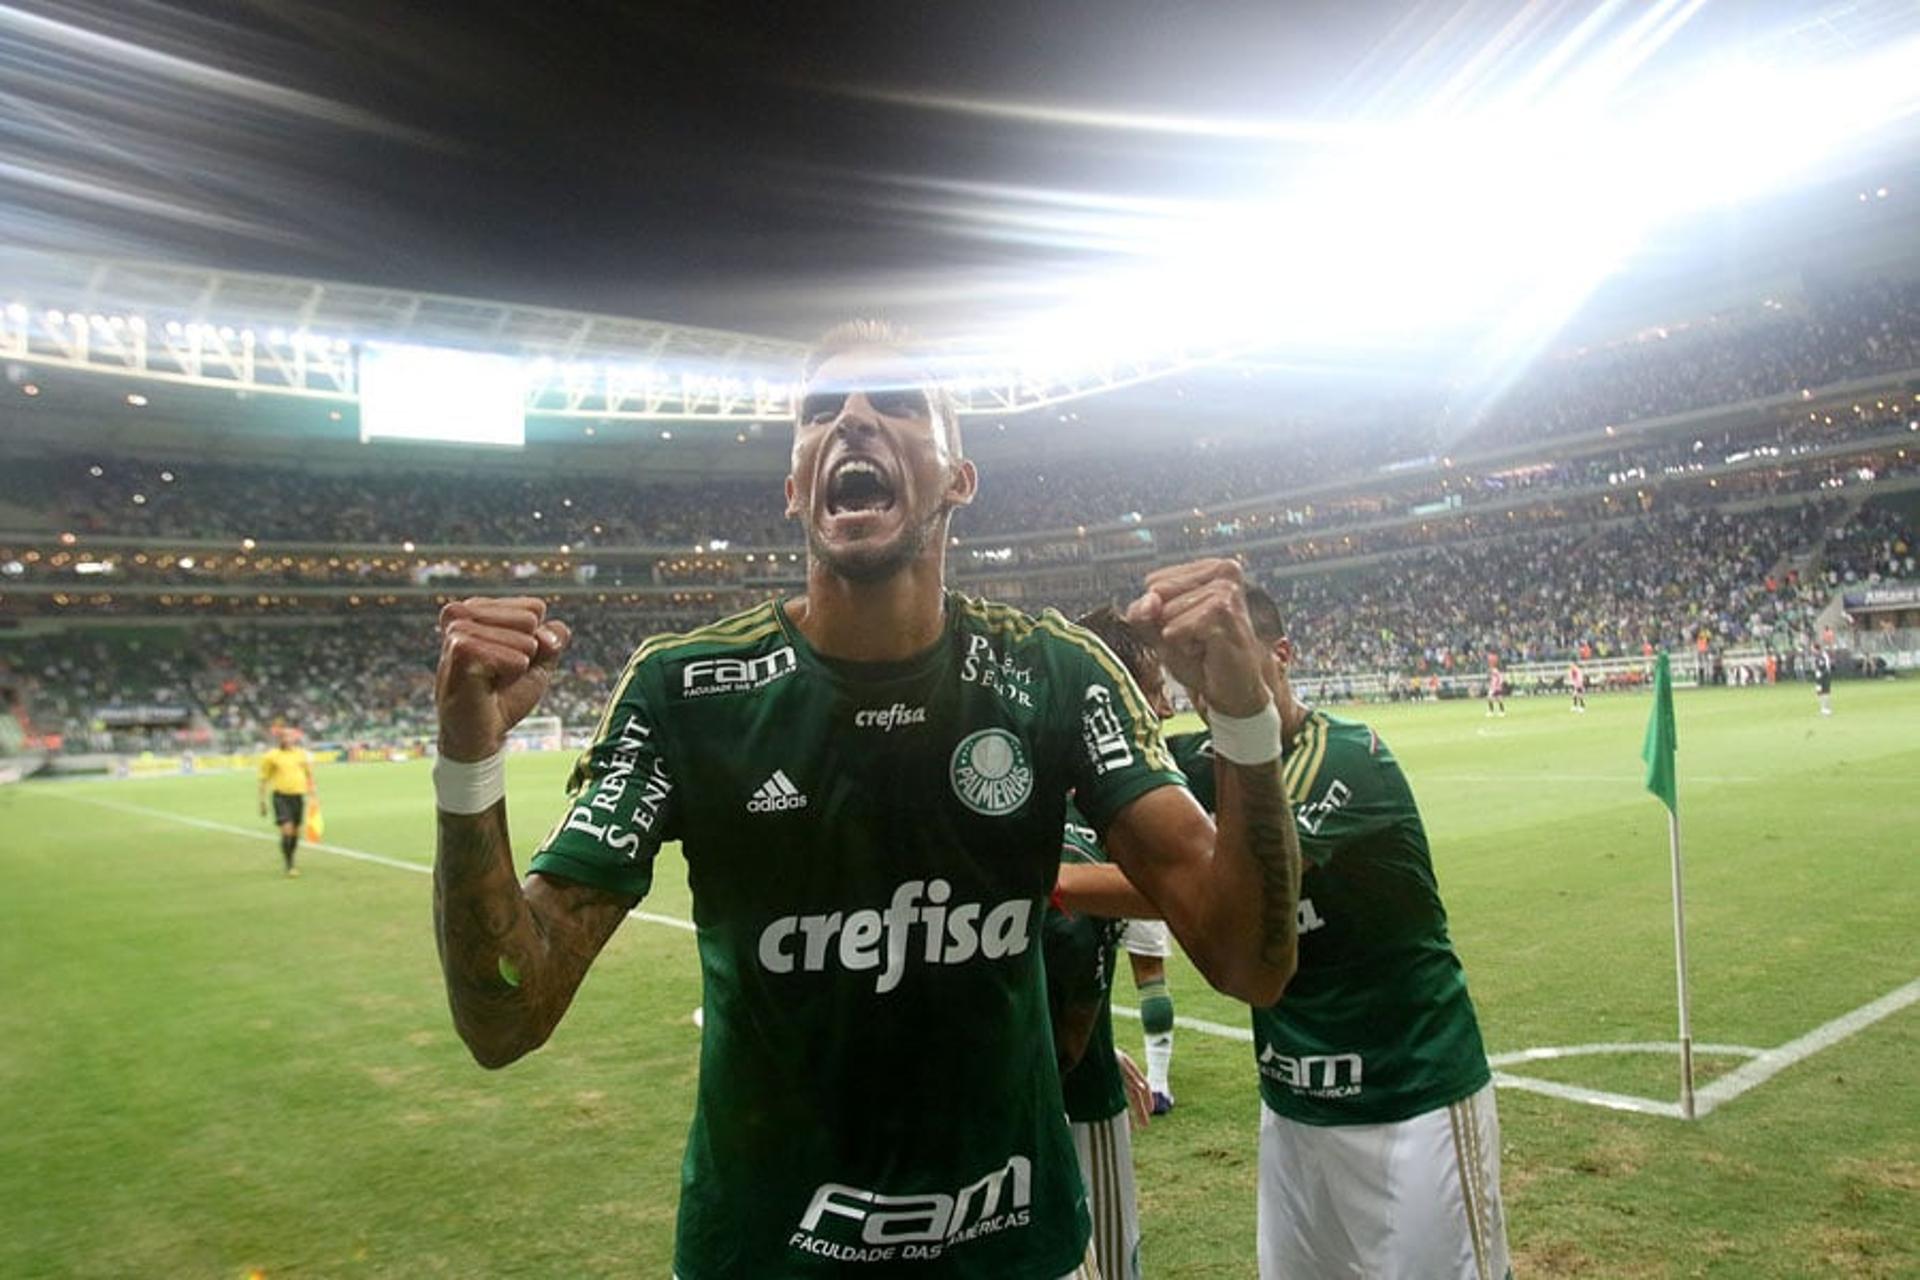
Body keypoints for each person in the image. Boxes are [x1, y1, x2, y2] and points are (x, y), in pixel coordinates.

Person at [429, 320, 1302, 1280]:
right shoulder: (687, 690)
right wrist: (470, 767)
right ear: (797, 486)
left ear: (957, 478)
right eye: (820, 412)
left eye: (895, 402)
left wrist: (1244, 724)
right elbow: (507, 1015)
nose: (851, 418)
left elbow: (1249, 957)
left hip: (1015, 1255)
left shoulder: (1057, 675)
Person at [1062, 587, 1509, 1280]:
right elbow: (1108, 775)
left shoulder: (1349, 761)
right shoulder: (1213, 764)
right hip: (1293, 1110)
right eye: (1196, 680)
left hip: (1409, 1101)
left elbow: (1221, 889)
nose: (1209, 697)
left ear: (1277, 656)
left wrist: (1053, 883)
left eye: (1226, 672)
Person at [257, 725, 316, 877]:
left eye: (290, 736)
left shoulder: (301, 755)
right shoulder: (271, 756)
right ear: (280, 739)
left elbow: (309, 775)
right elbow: (264, 779)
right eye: (284, 736)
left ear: (294, 738)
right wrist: (262, 801)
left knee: (296, 832)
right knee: (287, 830)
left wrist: (313, 794)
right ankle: (289, 864)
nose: (287, 739)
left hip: (298, 797)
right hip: (281, 797)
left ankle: (291, 858)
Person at [1814, 646, 1834, 715]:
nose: (1812, 650)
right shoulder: (1818, 656)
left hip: (1824, 677)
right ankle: (1823, 709)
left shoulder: (1823, 656)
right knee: (1819, 693)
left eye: (1813, 649)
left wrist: (1821, 674)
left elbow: (1826, 667)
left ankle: (1827, 709)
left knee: (1825, 693)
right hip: (1819, 678)